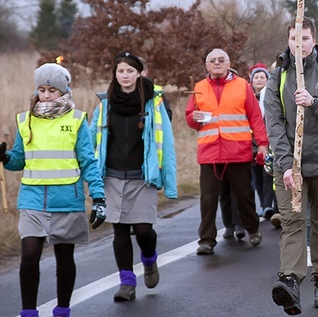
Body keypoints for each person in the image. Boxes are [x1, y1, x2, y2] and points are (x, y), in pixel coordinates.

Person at [2, 63, 106, 317]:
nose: (46, 95)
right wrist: (5, 158)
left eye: (51, 90)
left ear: (63, 91)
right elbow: (19, 159)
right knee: (29, 255)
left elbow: (88, 162)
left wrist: (99, 196)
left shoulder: (77, 119)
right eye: (42, 89)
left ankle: (62, 310)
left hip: (67, 200)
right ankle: (29, 312)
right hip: (32, 200)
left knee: (64, 258)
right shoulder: (25, 119)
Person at [265, 17, 318, 314]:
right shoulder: (277, 77)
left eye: (303, 38)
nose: (298, 44)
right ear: (287, 40)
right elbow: (274, 125)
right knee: (292, 223)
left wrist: (314, 102)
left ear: (313, 40)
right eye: (293, 38)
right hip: (290, 167)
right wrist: (287, 165)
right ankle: (289, 281)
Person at [90, 52, 177, 302]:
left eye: (130, 71)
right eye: (120, 71)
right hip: (113, 176)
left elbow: (166, 144)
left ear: (139, 73)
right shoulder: (105, 103)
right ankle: (127, 283)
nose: (125, 76)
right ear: (114, 74)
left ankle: (149, 260)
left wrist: (169, 183)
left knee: (143, 231)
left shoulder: (153, 102)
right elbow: (91, 139)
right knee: (119, 231)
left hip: (143, 177)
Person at [185, 48, 269, 255]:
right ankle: (206, 240)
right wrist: (192, 118)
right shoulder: (199, 87)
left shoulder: (242, 86)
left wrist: (262, 144)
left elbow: (255, 117)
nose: (217, 63)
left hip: (237, 150)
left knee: (244, 195)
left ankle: (252, 228)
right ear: (207, 66)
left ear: (228, 63)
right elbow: (191, 118)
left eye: (221, 60)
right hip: (210, 153)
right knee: (208, 198)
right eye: (212, 60)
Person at [249, 63, 275, 220]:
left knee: (267, 174)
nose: (259, 80)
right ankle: (263, 204)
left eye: (262, 77)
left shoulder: (269, 96)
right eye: (256, 77)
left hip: (267, 140)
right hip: (250, 143)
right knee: (256, 175)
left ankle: (267, 206)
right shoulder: (248, 97)